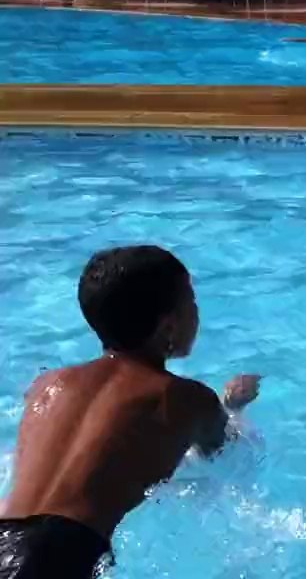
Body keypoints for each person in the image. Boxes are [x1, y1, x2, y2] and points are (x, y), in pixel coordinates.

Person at [0, 246, 261, 577]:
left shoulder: (47, 384)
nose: (197, 313)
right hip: (59, 554)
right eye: (192, 302)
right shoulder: (182, 397)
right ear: (169, 326)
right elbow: (232, 459)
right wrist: (234, 407)